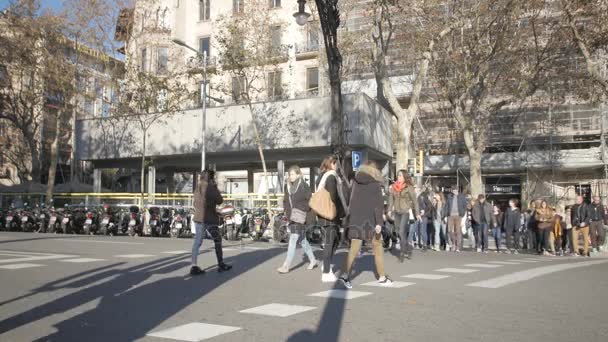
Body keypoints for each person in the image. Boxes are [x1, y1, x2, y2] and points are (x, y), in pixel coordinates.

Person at [339, 161, 392, 289]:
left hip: (356, 220)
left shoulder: (355, 182)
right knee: (378, 246)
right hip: (371, 222)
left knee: (354, 248)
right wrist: (379, 223)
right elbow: (378, 207)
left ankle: (345, 275)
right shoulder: (375, 185)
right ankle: (382, 277)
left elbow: (350, 201)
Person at [190, 171, 232, 276]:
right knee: (217, 240)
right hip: (209, 219)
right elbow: (220, 200)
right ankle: (221, 264)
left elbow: (195, 203)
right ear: (211, 178)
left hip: (198, 218)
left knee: (197, 242)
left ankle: (194, 266)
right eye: (214, 177)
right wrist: (215, 187)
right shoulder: (210, 187)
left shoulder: (198, 187)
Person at [278, 166, 318, 274]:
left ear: (298, 174)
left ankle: (286, 266)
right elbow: (286, 201)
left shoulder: (304, 186)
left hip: (301, 217)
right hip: (292, 217)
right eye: (289, 174)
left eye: (292, 174)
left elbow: (310, 201)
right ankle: (313, 260)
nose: (290, 176)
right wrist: (287, 213)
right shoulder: (288, 187)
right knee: (302, 240)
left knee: (293, 239)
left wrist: (301, 209)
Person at [316, 156, 348, 282]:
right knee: (330, 242)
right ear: (331, 164)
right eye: (335, 164)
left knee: (334, 240)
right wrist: (341, 211)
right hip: (330, 214)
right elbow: (333, 197)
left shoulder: (322, 176)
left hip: (324, 214)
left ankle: (326, 264)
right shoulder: (330, 177)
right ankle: (326, 272)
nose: (337, 167)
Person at [387, 170, 419, 262]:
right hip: (397, 212)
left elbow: (415, 201)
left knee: (401, 232)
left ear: (404, 177)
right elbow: (391, 200)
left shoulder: (409, 187)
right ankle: (408, 248)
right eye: (398, 176)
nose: (399, 177)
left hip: (405, 212)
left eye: (400, 176)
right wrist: (389, 210)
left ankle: (402, 253)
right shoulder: (393, 187)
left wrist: (417, 213)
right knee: (398, 233)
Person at [446, 188, 467, 252]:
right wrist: (446, 215)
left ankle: (458, 246)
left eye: (455, 190)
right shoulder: (449, 196)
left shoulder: (461, 196)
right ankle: (453, 244)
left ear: (457, 190)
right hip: (450, 215)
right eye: (453, 190)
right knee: (449, 230)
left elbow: (465, 206)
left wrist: (462, 214)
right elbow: (447, 206)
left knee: (458, 231)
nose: (454, 191)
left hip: (458, 215)